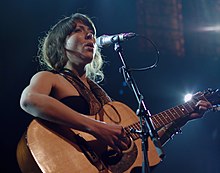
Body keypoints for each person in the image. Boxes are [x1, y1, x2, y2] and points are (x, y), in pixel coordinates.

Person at [18, 13, 212, 172]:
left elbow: (145, 146)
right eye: (78, 30)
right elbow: (29, 100)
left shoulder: (104, 100)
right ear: (61, 44)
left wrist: (183, 117)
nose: (89, 36)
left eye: (92, 33)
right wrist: (95, 127)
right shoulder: (50, 77)